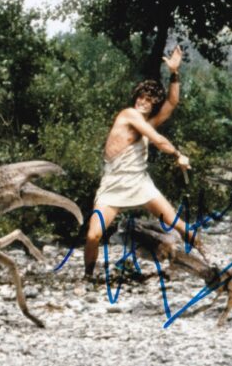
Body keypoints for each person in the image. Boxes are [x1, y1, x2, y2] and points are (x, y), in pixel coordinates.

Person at [84, 45, 201, 278]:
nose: (143, 102)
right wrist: (178, 155)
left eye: (149, 101)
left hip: (139, 182)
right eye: (141, 97)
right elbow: (157, 140)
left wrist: (175, 73)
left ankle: (209, 258)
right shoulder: (128, 114)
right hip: (114, 183)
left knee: (178, 225)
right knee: (93, 235)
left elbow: (172, 103)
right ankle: (88, 275)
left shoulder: (148, 122)